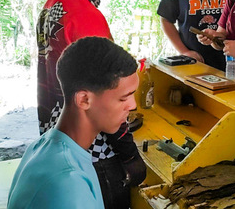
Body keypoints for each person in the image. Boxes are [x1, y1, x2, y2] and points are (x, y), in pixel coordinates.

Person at [36, 0, 144, 209]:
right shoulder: (85, 14)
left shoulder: (54, 3)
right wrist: (129, 154)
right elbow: (106, 92)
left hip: (57, 132)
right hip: (91, 147)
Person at [9, 37, 139, 209]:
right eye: (124, 97)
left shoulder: (43, 145)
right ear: (84, 100)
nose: (133, 105)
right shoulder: (68, 182)